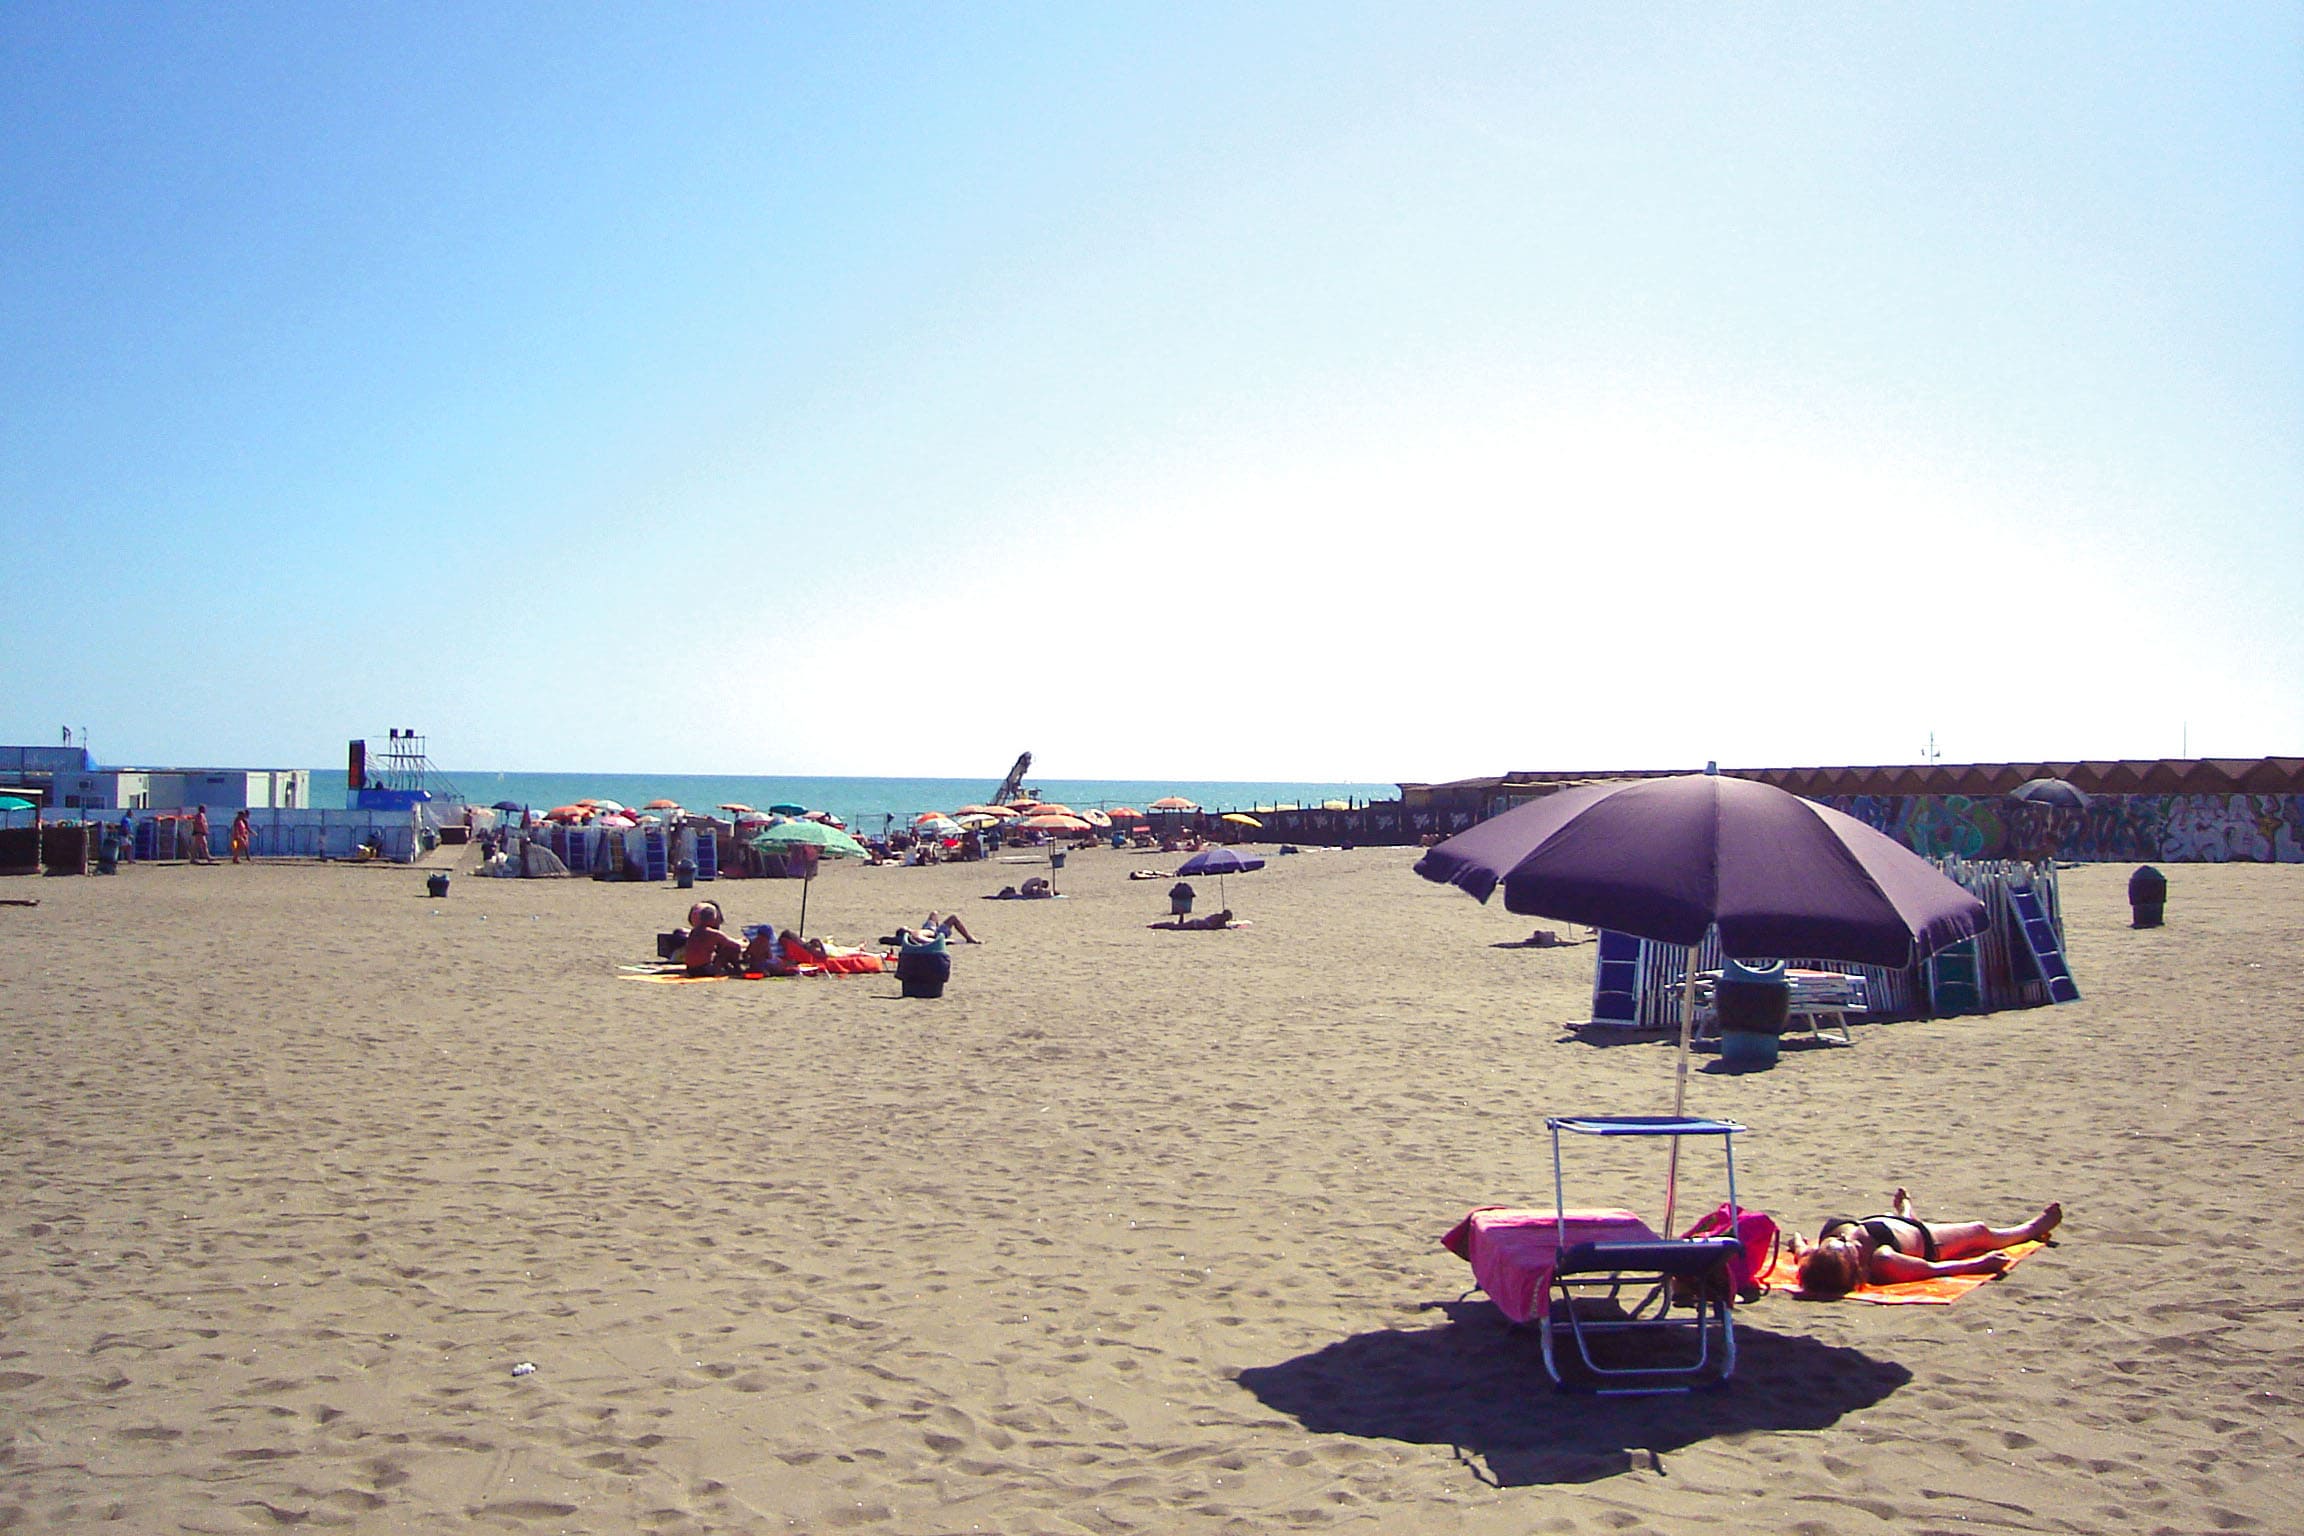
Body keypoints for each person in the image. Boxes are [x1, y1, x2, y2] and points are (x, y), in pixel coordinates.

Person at [1790, 1189, 2062, 1297]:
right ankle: (2031, 1229)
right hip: (1927, 1240)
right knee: (1979, 1231)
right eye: (1848, 1246)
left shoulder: (1827, 1251)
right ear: (1858, 1267)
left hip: (1888, 1225)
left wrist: (1799, 1244)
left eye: (1837, 1240)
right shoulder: (1884, 1261)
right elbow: (1934, 1270)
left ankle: (1905, 1212)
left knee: (1888, 1222)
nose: (1846, 1238)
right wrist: (1980, 1264)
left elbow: (1805, 1255)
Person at [681, 901, 747, 977]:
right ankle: (737, 969)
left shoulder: (694, 931)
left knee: (719, 952)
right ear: (713, 919)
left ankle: (730, 969)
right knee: (729, 950)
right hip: (704, 970)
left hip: (690, 969)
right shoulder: (713, 933)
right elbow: (735, 946)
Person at [895, 912, 978, 945]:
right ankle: (969, 938)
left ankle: (938, 925)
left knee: (933, 914)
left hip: (928, 929)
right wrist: (953, 941)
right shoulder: (916, 935)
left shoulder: (915, 932)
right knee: (953, 918)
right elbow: (933, 941)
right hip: (936, 934)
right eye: (906, 928)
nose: (908, 928)